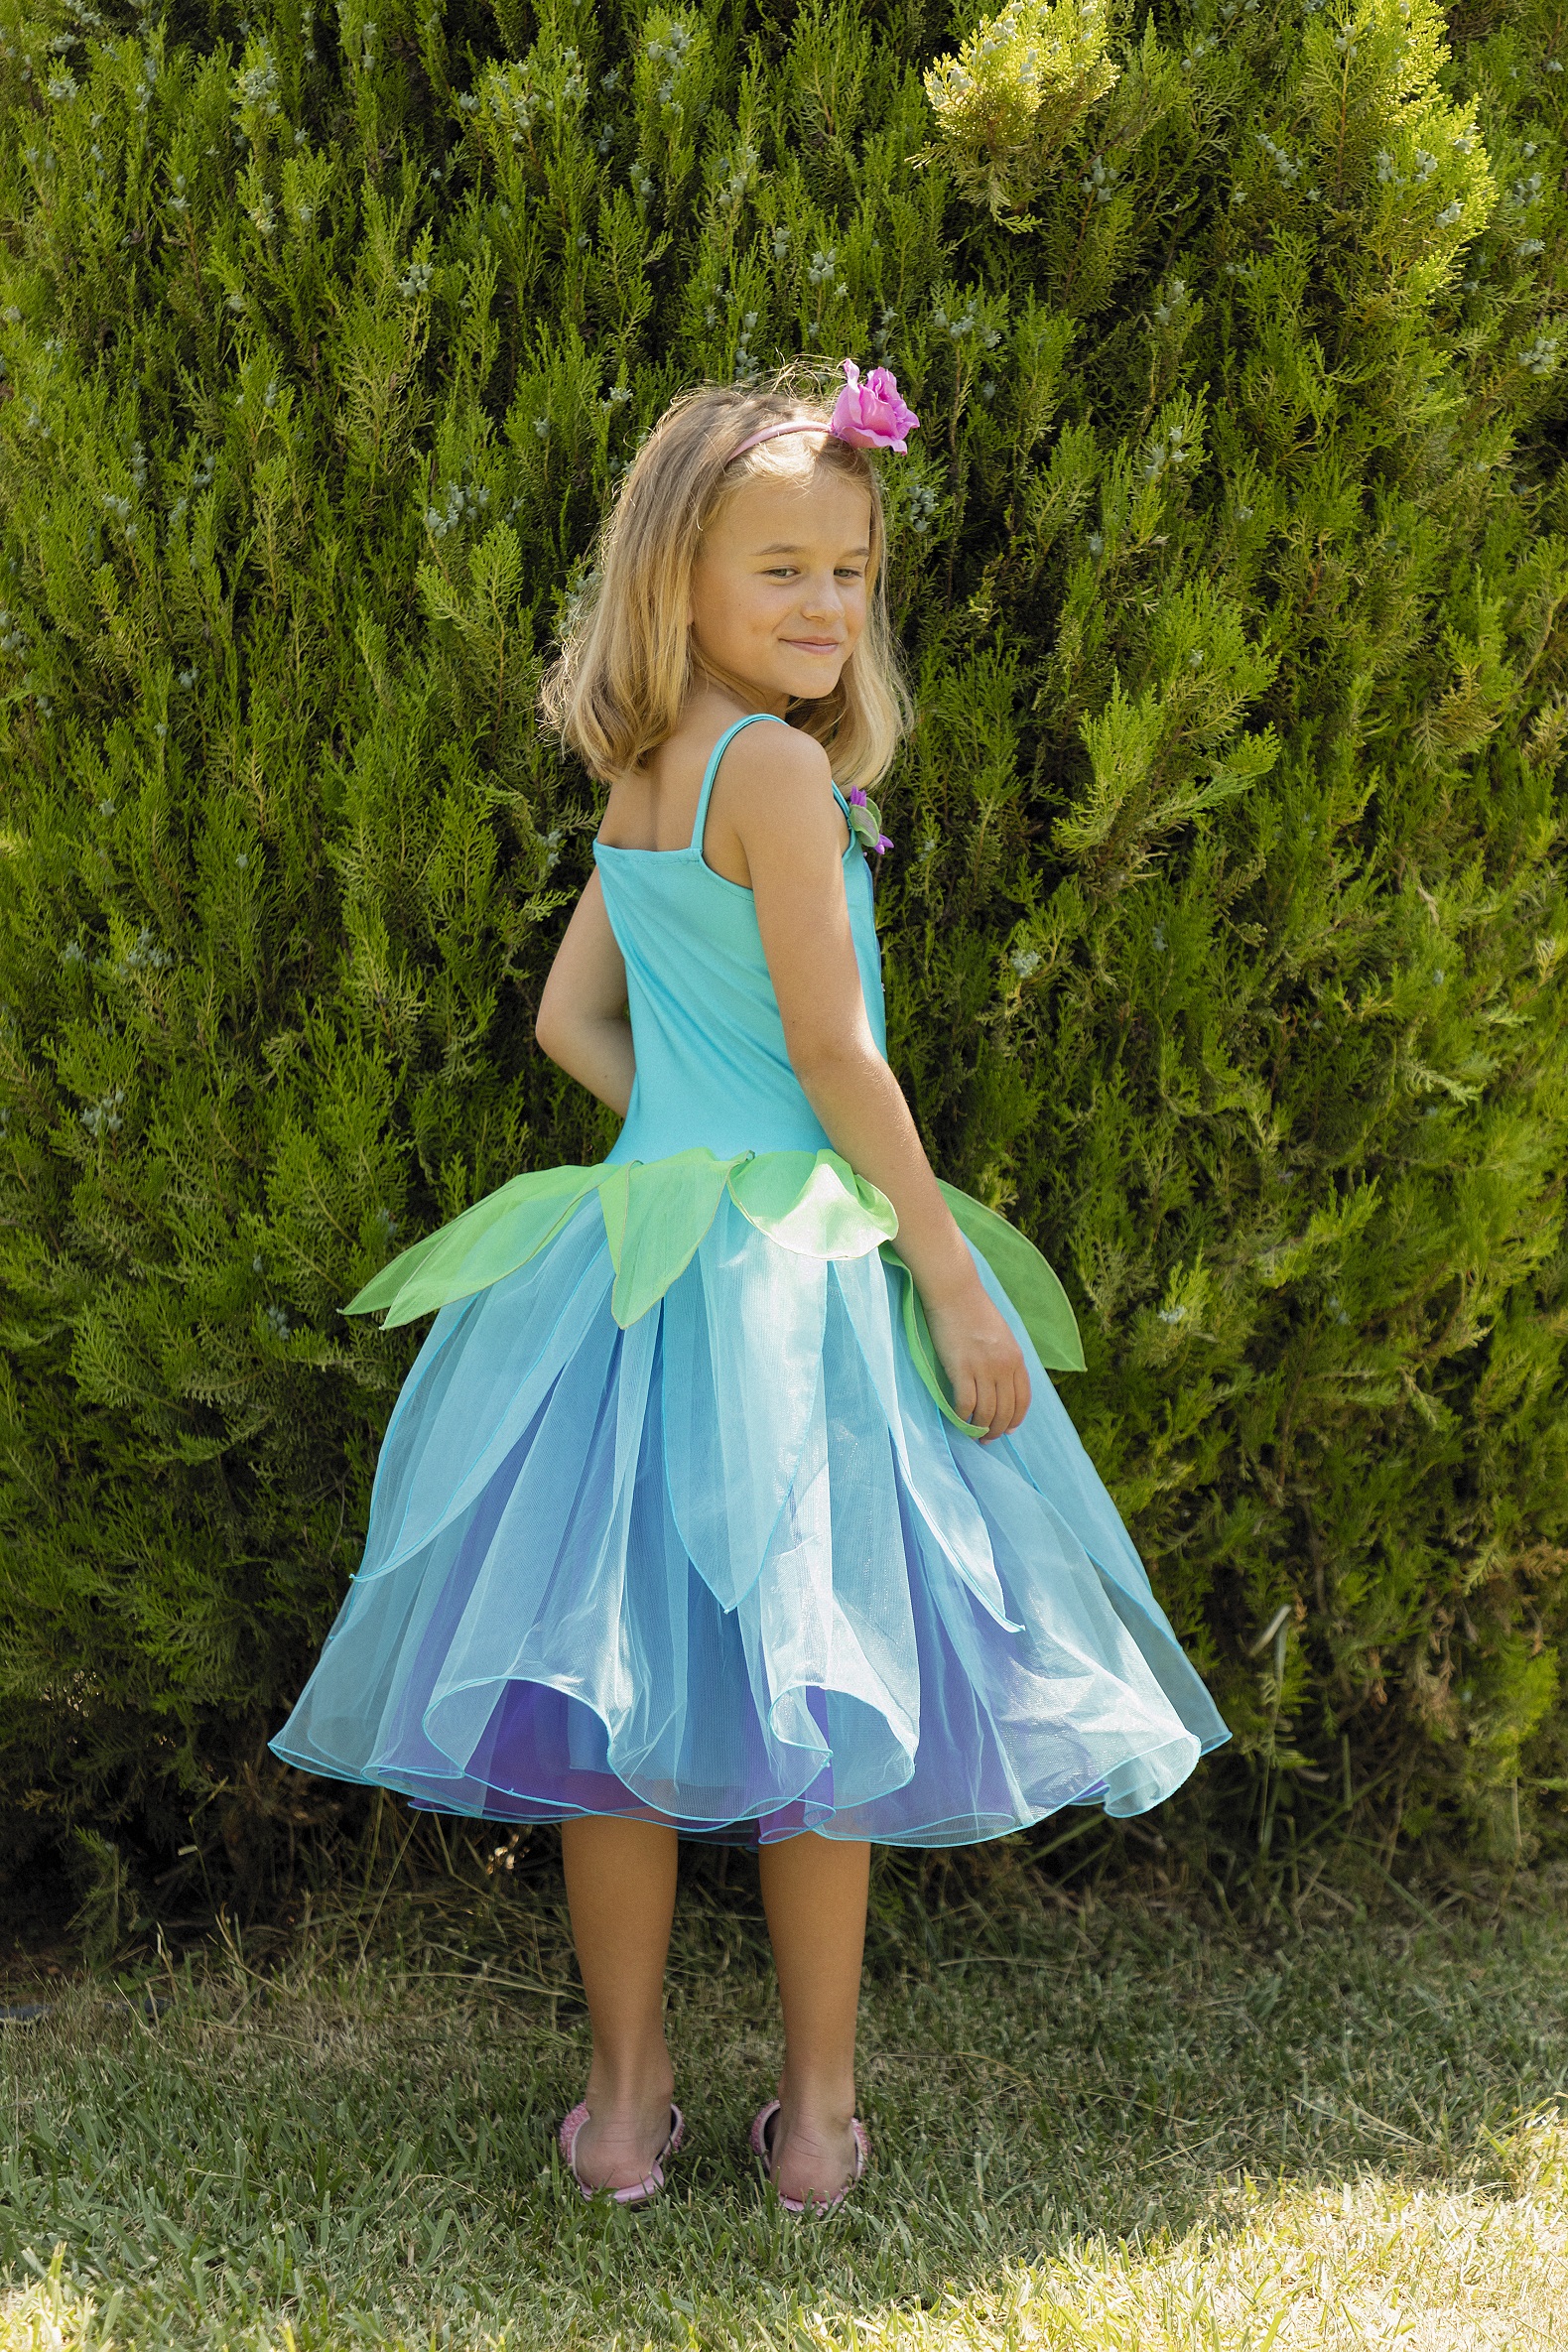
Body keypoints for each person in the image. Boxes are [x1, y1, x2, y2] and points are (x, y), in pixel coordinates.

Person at [270, 361, 1229, 2216]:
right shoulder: (778, 770)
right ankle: (813, 2123)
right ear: (678, 578)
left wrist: (685, 1141)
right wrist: (944, 1267)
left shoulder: (649, 772)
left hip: (639, 1269)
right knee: (820, 1687)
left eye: (852, 572)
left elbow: (570, 1020)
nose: (825, 605)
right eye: (781, 568)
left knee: (615, 1697)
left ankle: (626, 2112)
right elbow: (836, 1053)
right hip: (794, 1278)